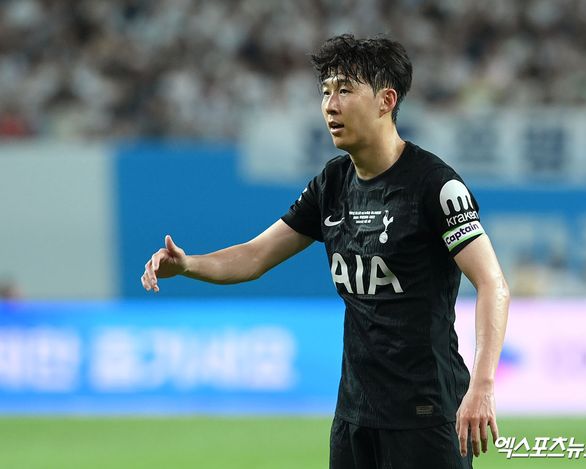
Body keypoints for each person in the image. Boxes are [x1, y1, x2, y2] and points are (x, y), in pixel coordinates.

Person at [141, 34, 509, 469]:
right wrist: (188, 265)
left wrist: (482, 385)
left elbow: (492, 284)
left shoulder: (435, 186)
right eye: (326, 92)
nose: (331, 106)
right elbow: (254, 256)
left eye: (345, 90)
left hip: (426, 416)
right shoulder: (331, 184)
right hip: (354, 417)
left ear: (386, 100)